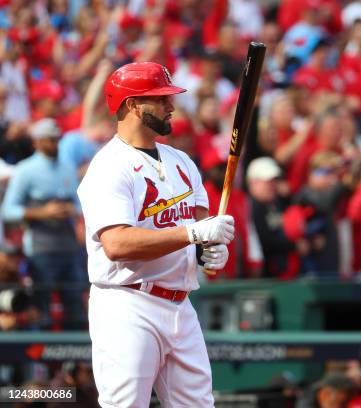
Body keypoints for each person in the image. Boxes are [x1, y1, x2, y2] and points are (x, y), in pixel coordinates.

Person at [77, 62, 236, 408]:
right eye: (160, 99)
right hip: (128, 303)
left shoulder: (181, 161)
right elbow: (117, 244)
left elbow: (198, 226)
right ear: (132, 105)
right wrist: (193, 234)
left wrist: (208, 251)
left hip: (181, 304)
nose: (171, 106)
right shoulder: (108, 167)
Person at [1, 118, 83, 329]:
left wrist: (71, 210)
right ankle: (40, 358)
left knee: (75, 308)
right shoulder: (25, 170)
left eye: (57, 139)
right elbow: (8, 210)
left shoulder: (67, 166)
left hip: (68, 246)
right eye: (49, 140)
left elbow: (79, 203)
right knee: (40, 307)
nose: (54, 144)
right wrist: (42, 212)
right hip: (40, 250)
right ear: (36, 142)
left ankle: (75, 360)